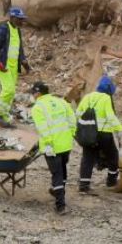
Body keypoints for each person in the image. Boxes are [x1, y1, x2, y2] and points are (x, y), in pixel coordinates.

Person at [30, 81, 75, 213]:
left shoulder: (38, 107)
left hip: (52, 147)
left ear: (37, 93)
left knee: (57, 174)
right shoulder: (61, 102)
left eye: (33, 93)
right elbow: (72, 119)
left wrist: (49, 144)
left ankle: (60, 206)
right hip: (66, 144)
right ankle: (58, 191)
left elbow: (42, 127)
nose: (32, 96)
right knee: (62, 169)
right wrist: (71, 134)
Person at [76, 75, 122, 193]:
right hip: (104, 135)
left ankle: (84, 185)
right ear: (109, 89)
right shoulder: (106, 98)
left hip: (88, 134)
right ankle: (111, 181)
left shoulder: (87, 96)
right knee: (113, 156)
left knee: (87, 158)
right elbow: (110, 116)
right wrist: (119, 129)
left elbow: (78, 113)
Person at [0, 8, 26, 124]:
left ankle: (4, 115)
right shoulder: (3, 28)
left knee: (11, 93)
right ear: (12, 18)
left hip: (13, 67)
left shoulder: (17, 30)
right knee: (9, 90)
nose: (22, 22)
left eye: (23, 20)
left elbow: (19, 48)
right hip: (2, 64)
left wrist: (24, 61)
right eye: (19, 19)